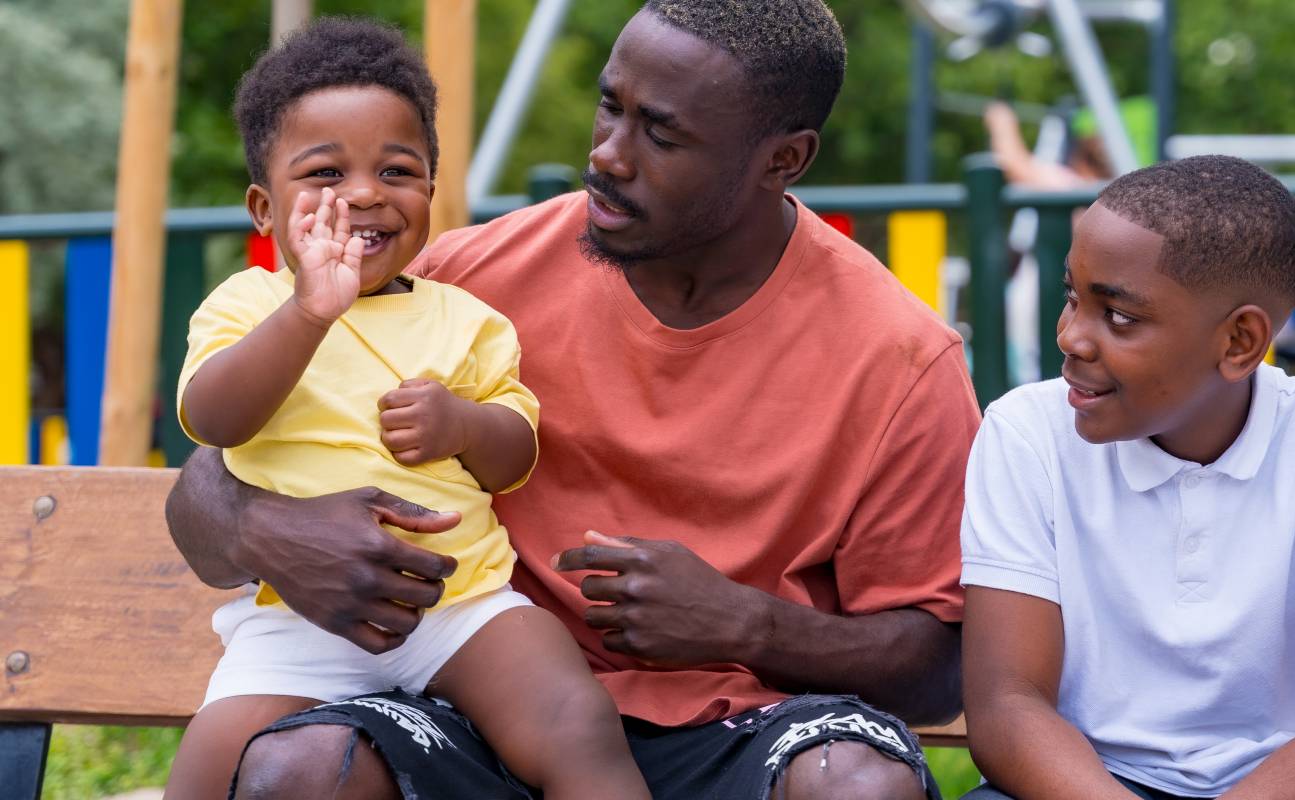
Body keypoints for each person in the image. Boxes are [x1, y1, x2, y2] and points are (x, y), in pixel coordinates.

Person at [163, 2, 977, 798]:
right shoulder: (470, 277)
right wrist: (269, 530)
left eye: (660, 133)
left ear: (783, 159)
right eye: (608, 107)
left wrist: (743, 623)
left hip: (748, 728)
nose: (609, 156)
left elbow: (940, 670)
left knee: (857, 785)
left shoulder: (900, 359)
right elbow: (212, 468)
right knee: (303, 770)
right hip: (476, 722)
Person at [162, 20, 649, 800]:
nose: (363, 193)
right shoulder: (250, 305)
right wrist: (308, 313)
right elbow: (216, 421)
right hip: (298, 623)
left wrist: (462, 424)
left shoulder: (466, 318)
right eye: (323, 174)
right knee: (210, 766)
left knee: (574, 721)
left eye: (397, 170)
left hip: (462, 607)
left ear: (430, 188)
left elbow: (515, 449)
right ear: (264, 206)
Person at [957, 156, 1295, 800]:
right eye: (1072, 297)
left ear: (1239, 343)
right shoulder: (1026, 435)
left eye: (1119, 317)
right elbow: (1008, 704)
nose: (1072, 336)